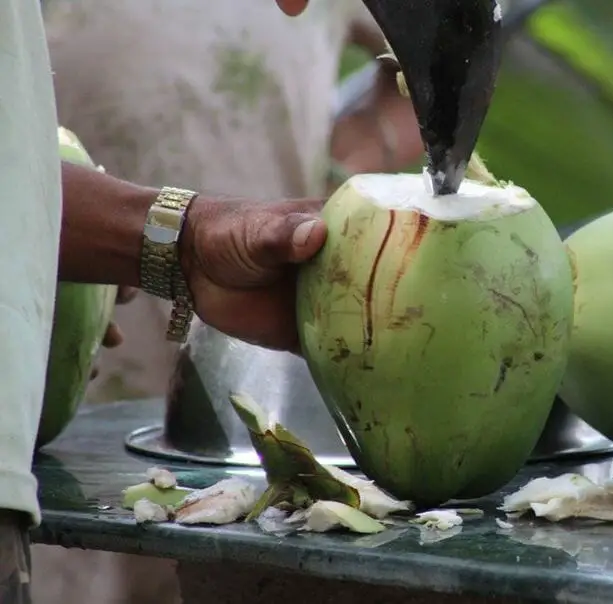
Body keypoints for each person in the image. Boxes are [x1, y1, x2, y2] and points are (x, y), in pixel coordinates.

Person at [31, 1, 424, 602]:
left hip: (249, 313)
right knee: (76, 552)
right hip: (65, 300)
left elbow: (436, 50)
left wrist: (356, 161)